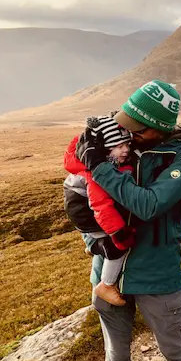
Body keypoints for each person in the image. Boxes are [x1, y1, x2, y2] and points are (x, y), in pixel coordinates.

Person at [76, 80, 181, 361]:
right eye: (125, 124)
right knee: (116, 359)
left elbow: (148, 205)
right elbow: (82, 198)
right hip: (108, 275)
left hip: (157, 275)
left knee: (174, 352)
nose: (127, 134)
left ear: (159, 129)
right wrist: (92, 240)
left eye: (137, 130)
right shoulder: (112, 139)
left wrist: (98, 167)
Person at [63, 116, 136, 307]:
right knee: (117, 248)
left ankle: (93, 244)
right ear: (106, 149)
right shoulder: (97, 171)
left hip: (82, 210)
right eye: (119, 146)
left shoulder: (104, 162)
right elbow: (101, 206)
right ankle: (106, 285)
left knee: (102, 237)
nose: (126, 150)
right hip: (85, 212)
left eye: (127, 144)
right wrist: (118, 234)